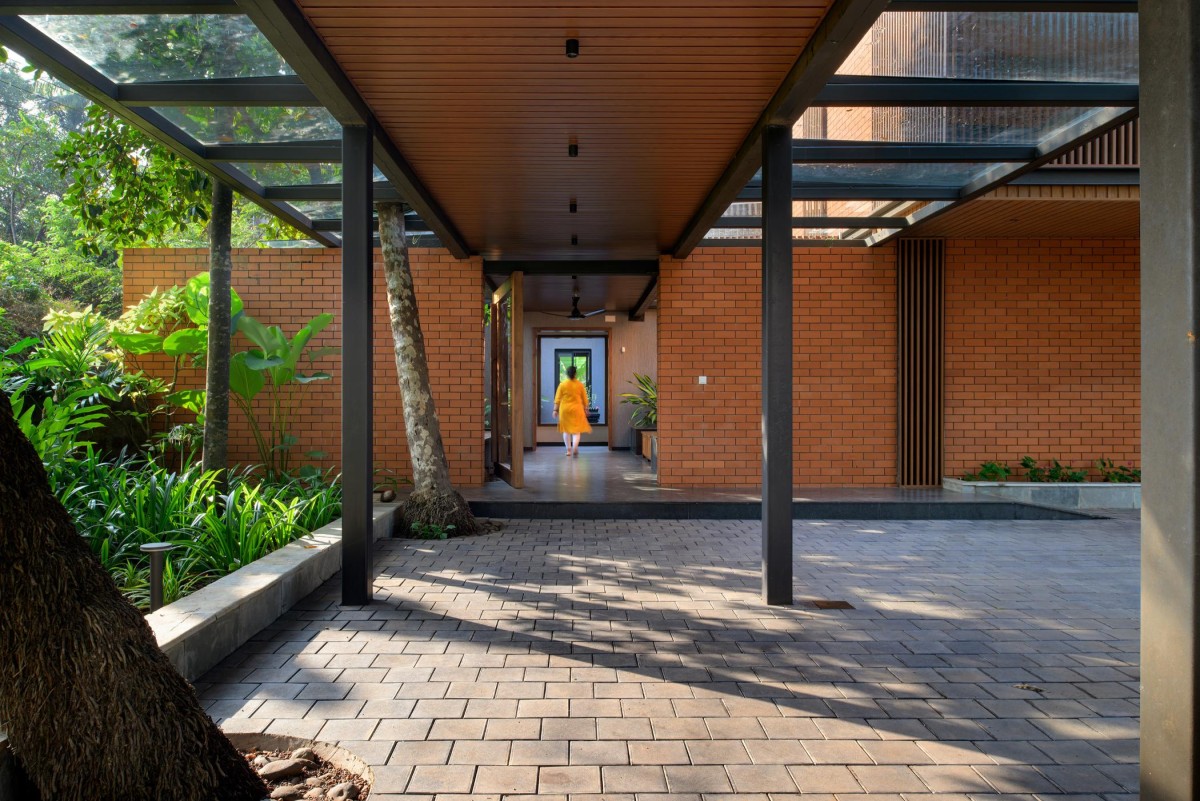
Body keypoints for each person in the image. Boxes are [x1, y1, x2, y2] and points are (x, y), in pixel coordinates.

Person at [553, 364, 592, 457]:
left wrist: (555, 410)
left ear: (567, 374)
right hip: (577, 410)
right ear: (575, 374)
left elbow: (557, 398)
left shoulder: (562, 385)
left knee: (566, 431)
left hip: (565, 410)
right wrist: (586, 409)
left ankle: (568, 450)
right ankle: (575, 446)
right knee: (576, 431)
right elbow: (584, 398)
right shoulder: (580, 385)